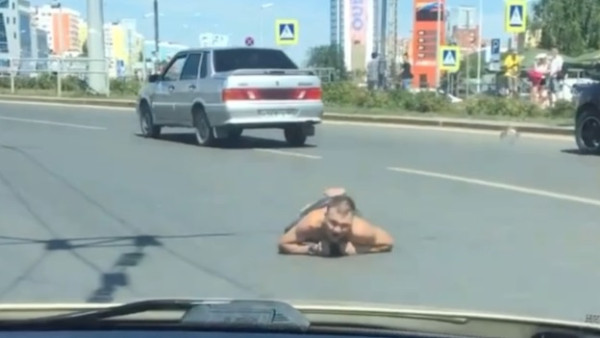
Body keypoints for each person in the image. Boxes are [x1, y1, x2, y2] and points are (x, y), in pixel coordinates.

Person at [278, 188, 394, 257]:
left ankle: (338, 196)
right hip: (318, 210)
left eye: (344, 226)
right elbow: (283, 243)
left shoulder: (359, 230)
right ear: (325, 215)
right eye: (333, 223)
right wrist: (310, 250)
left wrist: (359, 249)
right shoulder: (311, 224)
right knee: (289, 228)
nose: (337, 230)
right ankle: (320, 202)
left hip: (349, 215)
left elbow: (388, 242)